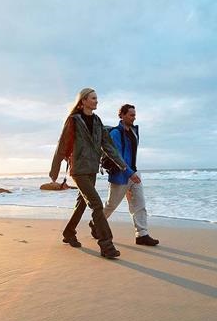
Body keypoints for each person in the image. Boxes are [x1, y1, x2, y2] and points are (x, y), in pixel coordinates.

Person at [49, 88, 127, 258]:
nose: (96, 101)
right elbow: (62, 144)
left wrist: (122, 165)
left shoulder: (97, 121)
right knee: (96, 205)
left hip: (92, 170)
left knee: (82, 203)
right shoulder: (73, 120)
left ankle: (69, 232)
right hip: (78, 170)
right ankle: (106, 245)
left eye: (96, 98)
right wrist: (54, 170)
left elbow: (108, 146)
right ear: (83, 101)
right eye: (93, 98)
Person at [91, 104, 159, 246]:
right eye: (131, 115)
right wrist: (129, 173)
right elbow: (117, 157)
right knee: (111, 205)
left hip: (134, 173)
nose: (134, 117)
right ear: (121, 115)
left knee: (139, 204)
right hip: (121, 175)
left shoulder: (134, 132)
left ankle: (142, 235)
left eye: (134, 115)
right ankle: (96, 223)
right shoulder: (115, 133)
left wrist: (133, 172)